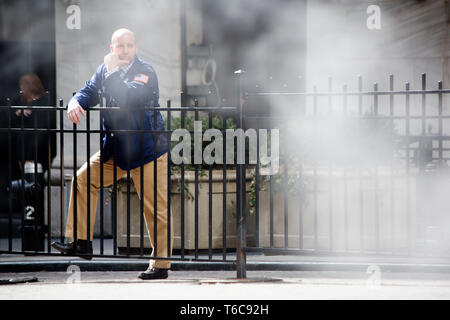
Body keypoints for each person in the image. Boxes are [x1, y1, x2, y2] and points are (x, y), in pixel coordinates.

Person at [51, 28, 172, 280]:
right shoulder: (104, 71)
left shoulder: (145, 71)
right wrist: (75, 102)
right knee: (83, 179)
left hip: (147, 151)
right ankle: (81, 242)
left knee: (156, 208)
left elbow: (129, 96)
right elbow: (89, 91)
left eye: (129, 46)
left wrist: (111, 71)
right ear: (112, 49)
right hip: (116, 151)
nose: (125, 50)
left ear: (135, 48)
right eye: (120, 46)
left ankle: (160, 265)